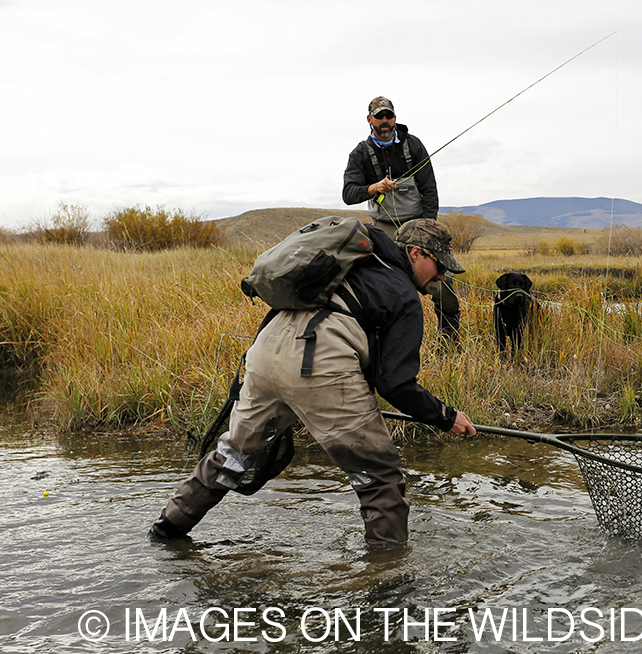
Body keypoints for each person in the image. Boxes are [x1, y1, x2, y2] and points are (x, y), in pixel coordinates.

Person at [148, 218, 476, 547]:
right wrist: (444, 417)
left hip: (263, 355)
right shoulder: (404, 294)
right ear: (416, 253)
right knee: (379, 477)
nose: (443, 275)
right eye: (439, 265)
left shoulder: (350, 262)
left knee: (232, 455)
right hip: (318, 363)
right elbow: (396, 383)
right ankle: (389, 579)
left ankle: (166, 530)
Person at [342, 96, 461, 342]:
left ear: (394, 118)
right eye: (379, 117)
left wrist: (428, 227)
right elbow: (348, 194)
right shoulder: (360, 153)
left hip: (419, 224)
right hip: (383, 229)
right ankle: (393, 340)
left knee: (442, 283)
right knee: (389, 286)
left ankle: (449, 342)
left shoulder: (414, 146)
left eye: (389, 116)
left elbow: (430, 190)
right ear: (369, 120)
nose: (384, 122)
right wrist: (373, 188)